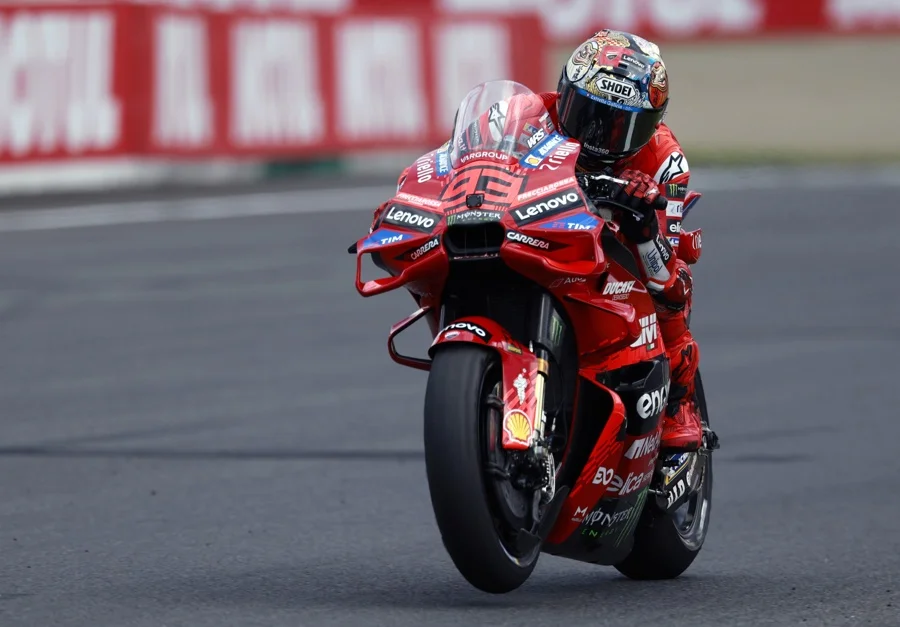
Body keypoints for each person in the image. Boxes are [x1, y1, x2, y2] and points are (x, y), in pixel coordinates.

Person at [372, 30, 704, 452]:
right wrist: (407, 199)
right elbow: (448, 161)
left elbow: (669, 276)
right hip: (536, 230)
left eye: (622, 126)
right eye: (590, 114)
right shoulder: (515, 113)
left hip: (613, 251)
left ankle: (680, 403)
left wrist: (642, 227)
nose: (600, 137)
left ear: (651, 125)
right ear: (565, 93)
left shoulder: (663, 160)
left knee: (674, 299)